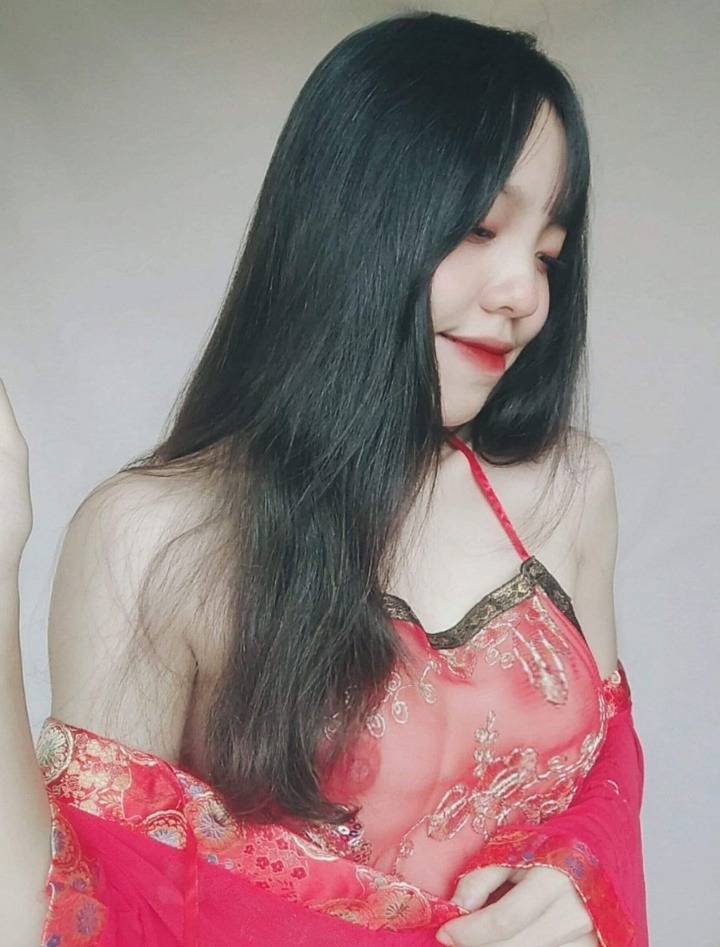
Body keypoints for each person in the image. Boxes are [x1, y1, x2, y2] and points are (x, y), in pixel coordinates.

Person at [1, 11, 648, 946]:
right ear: (352, 221)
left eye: (546, 252)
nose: (525, 295)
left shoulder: (568, 488)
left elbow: (603, 783)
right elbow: (74, 909)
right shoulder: (156, 533)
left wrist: (579, 875)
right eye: (479, 228)